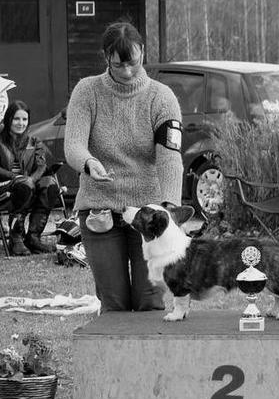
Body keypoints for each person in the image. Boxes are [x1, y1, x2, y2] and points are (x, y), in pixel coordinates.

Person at [64, 21, 183, 312]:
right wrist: (89, 162)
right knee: (114, 303)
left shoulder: (162, 97)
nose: (127, 71)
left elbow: (169, 156)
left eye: (133, 61)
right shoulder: (87, 91)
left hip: (149, 214)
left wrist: (169, 206)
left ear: (142, 51)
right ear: (106, 58)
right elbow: (73, 145)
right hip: (100, 209)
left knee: (150, 300)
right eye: (119, 65)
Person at [1, 100, 61, 255]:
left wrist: (31, 180)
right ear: (8, 119)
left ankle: (33, 238)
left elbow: (41, 166)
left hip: (28, 186)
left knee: (49, 183)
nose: (21, 123)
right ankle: (16, 238)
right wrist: (16, 177)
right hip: (4, 187)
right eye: (16, 119)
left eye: (24, 119)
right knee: (24, 185)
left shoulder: (34, 141)